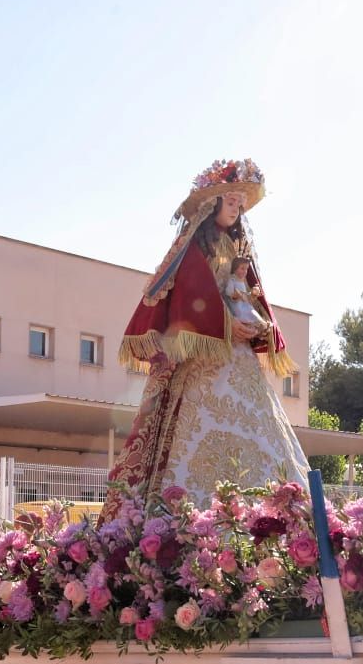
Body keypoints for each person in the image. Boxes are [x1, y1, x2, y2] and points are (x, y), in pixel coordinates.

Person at [105, 158, 308, 516]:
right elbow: (189, 297)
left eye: (240, 204)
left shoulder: (238, 253)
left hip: (240, 359)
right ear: (212, 204)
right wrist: (226, 326)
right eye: (231, 201)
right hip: (206, 362)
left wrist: (255, 323)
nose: (237, 209)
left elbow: (248, 294)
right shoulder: (195, 252)